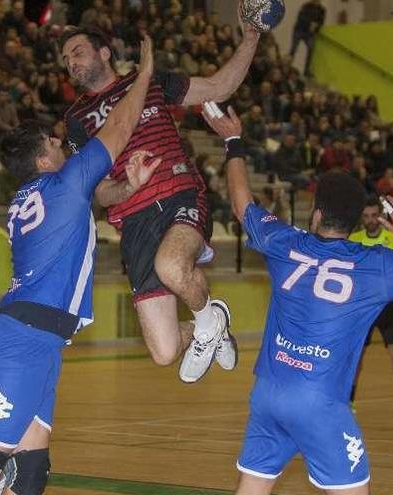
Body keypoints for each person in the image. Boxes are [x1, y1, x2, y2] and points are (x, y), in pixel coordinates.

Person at [0, 36, 159, 495]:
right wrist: (146, 75)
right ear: (42, 159)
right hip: (23, 342)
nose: (63, 144)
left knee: (30, 471)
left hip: (38, 339)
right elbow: (120, 124)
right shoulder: (65, 182)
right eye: (55, 142)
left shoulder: (37, 195)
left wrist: (128, 188)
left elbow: (84, 209)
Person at [200, 104, 393, 495]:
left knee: (251, 489)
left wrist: (233, 142)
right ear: (356, 223)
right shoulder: (376, 265)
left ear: (316, 215)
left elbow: (242, 205)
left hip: (269, 391)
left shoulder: (285, 243)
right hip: (319, 403)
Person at [61, 18, 262, 382]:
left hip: (178, 196)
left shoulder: (152, 82)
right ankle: (211, 320)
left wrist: (251, 37)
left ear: (104, 52)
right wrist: (128, 187)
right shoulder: (76, 119)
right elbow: (100, 190)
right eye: (66, 59)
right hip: (134, 223)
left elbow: (220, 85)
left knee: (172, 266)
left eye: (77, 52)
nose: (71, 62)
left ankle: (206, 323)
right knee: (164, 350)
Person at [349, 197, 393, 420]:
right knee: (356, 356)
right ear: (361, 217)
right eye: (366, 216)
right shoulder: (354, 240)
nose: (370, 220)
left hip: (388, 305)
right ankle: (348, 402)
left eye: (374, 216)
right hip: (363, 308)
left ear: (381, 215)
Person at [290, 0, 326, 77]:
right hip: (299, 30)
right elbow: (301, 18)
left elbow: (321, 22)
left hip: (309, 33)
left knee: (311, 49)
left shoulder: (322, 10)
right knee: (293, 49)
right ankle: (287, 67)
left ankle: (306, 71)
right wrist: (310, 23)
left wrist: (317, 26)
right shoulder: (306, 6)